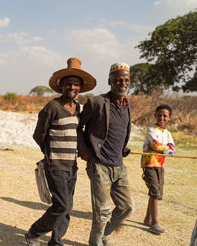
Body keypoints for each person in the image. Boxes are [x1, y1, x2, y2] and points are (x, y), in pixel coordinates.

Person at [25, 58, 96, 246]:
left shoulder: (78, 108)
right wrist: (49, 153)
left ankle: (56, 241)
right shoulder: (52, 107)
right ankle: (34, 232)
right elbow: (38, 134)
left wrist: (85, 153)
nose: (72, 87)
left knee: (68, 207)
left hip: (72, 165)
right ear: (61, 86)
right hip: (55, 165)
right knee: (61, 205)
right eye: (68, 84)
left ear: (80, 87)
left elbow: (78, 134)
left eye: (76, 84)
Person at [77, 62, 135, 246]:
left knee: (126, 208)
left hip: (119, 165)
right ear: (110, 81)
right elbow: (78, 126)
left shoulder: (126, 105)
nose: (122, 83)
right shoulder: (97, 102)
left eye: (125, 80)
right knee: (102, 213)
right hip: (99, 165)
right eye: (117, 80)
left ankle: (104, 235)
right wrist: (85, 152)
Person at [141, 104, 175, 234]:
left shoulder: (167, 133)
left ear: (169, 118)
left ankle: (147, 218)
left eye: (164, 115)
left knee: (157, 192)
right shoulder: (151, 130)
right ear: (155, 115)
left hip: (160, 165)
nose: (161, 117)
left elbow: (173, 149)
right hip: (150, 163)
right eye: (159, 115)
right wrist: (166, 149)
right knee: (154, 191)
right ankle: (155, 222)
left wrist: (166, 149)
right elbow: (156, 146)